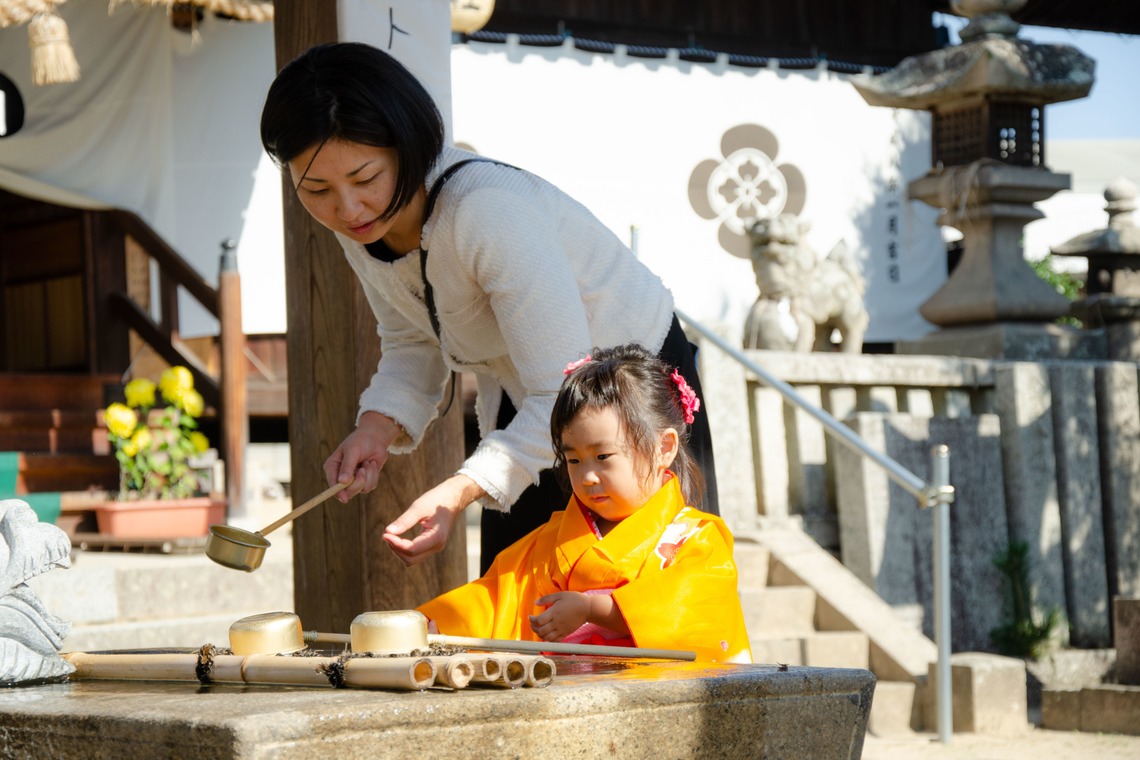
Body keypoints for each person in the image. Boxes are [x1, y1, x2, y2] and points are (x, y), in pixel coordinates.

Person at [259, 41, 718, 574]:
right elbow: (413, 338)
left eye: (365, 179)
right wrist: (376, 429)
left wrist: (459, 490)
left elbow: (562, 383)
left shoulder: (486, 210)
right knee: (518, 593)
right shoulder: (364, 226)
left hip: (628, 394)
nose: (347, 208)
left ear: (409, 146)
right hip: (531, 392)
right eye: (316, 189)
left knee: (639, 593)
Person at [417, 344, 751, 663]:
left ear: (663, 448)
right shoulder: (550, 543)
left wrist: (593, 610)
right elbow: (491, 599)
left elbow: (690, 610)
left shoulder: (697, 540)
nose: (587, 476)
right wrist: (426, 625)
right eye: (573, 460)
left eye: (603, 456)